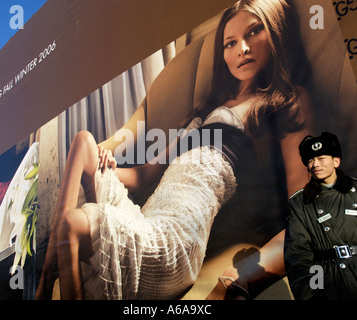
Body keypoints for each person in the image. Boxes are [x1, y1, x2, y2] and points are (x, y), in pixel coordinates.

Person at [36, 0, 312, 300]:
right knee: (84, 143)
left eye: (254, 32)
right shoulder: (207, 111)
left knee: (71, 223)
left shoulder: (285, 100)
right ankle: (47, 273)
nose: (241, 49)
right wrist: (110, 164)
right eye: (230, 43)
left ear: (274, 28)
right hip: (147, 218)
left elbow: (306, 213)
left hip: (176, 240)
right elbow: (143, 176)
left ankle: (44, 278)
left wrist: (238, 277)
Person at [284, 132, 357, 300]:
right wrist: (313, 296)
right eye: (310, 161)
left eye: (321, 158)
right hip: (330, 284)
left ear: (336, 161)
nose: (315, 165)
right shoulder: (301, 204)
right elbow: (300, 257)